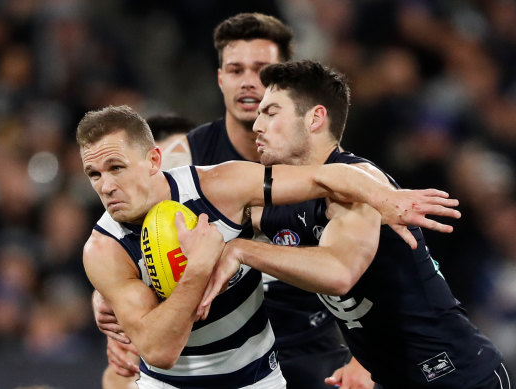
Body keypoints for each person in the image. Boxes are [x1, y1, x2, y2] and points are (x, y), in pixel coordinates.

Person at [77, 104, 460, 388]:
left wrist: (384, 197)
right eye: (93, 174)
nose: (106, 186)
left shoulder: (220, 187)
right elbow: (160, 350)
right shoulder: (103, 248)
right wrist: (199, 268)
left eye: (116, 167)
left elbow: (326, 178)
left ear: (153, 159)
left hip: (260, 378)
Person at [94, 13, 376, 389]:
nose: (247, 81)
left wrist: (366, 357)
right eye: (235, 69)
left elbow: (372, 260)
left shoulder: (321, 164)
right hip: (213, 343)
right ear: (220, 78)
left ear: (282, 82)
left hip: (306, 340)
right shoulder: (183, 160)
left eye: (262, 70)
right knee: (117, 377)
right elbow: (120, 241)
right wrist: (104, 298)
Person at [199, 60, 513, 388]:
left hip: (458, 376)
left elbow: (339, 272)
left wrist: (241, 250)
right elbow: (222, 214)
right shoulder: (292, 198)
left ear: (315, 118)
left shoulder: (361, 185)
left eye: (272, 112)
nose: (257, 126)